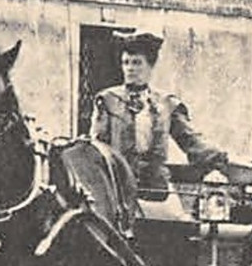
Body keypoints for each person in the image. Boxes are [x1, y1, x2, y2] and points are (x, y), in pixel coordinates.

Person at [90, 31, 228, 201]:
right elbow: (97, 146)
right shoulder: (108, 100)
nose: (130, 68)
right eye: (125, 63)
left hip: (155, 187)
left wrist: (224, 158)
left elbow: (192, 141)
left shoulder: (167, 104)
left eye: (137, 63)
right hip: (117, 188)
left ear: (150, 66)